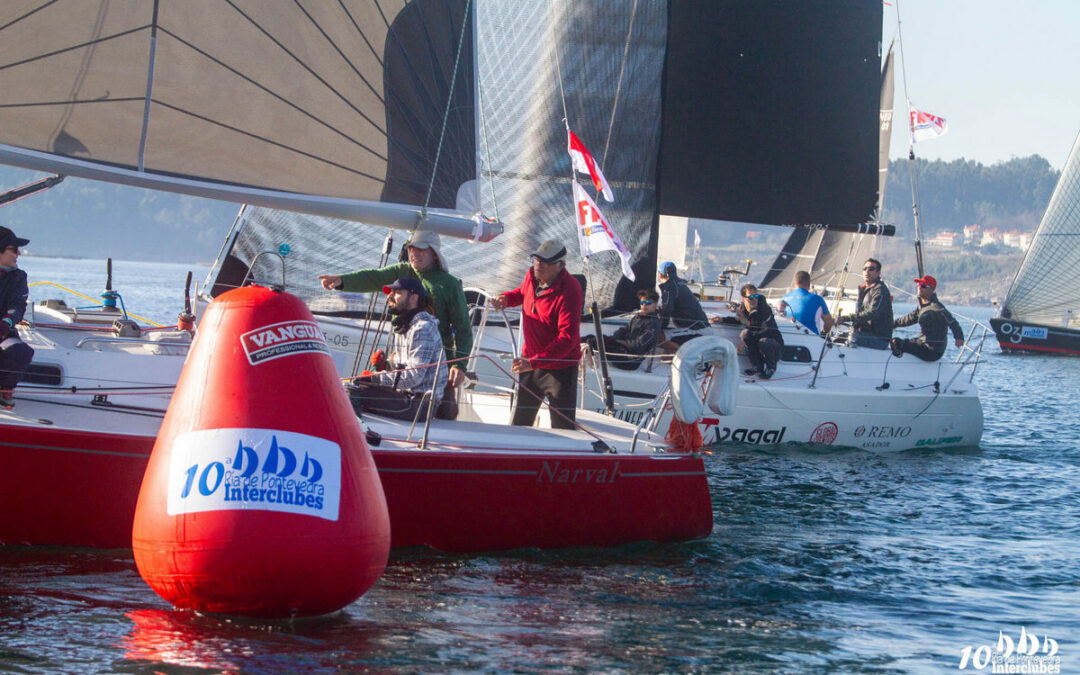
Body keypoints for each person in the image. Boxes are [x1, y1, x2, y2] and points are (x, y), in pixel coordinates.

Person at [318, 230, 472, 389]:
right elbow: (373, 278)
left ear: (434, 254)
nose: (414, 254)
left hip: (436, 364)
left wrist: (459, 364)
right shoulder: (402, 271)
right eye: (411, 249)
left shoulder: (449, 284)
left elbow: (463, 328)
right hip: (406, 357)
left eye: (421, 249)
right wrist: (342, 281)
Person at [490, 240, 584, 429]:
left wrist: (533, 362)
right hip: (531, 361)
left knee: (563, 427)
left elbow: (567, 338)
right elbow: (523, 293)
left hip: (560, 368)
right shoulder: (531, 276)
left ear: (561, 265)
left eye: (545, 262)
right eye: (536, 259)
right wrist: (506, 298)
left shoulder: (571, 290)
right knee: (519, 423)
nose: (538, 265)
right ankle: (515, 457)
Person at [346, 278, 449, 421]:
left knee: (351, 392)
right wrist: (386, 366)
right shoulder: (406, 326)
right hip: (407, 397)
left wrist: (375, 378)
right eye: (390, 292)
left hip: (420, 406)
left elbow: (414, 376)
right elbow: (405, 368)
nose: (389, 296)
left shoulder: (422, 328)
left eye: (397, 292)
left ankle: (353, 433)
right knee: (353, 386)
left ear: (413, 297)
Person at [582, 289, 662, 370]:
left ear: (655, 304)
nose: (644, 305)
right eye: (642, 303)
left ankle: (574, 357)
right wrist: (612, 339)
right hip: (623, 349)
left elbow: (639, 345)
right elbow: (624, 329)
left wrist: (616, 342)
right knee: (593, 338)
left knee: (595, 342)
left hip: (630, 360)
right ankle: (572, 347)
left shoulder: (653, 324)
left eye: (648, 303)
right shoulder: (638, 317)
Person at [890, 275, 965, 361]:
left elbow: (953, 323)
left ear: (931, 289)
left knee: (896, 343)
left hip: (932, 351)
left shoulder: (937, 308)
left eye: (923, 286)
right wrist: (893, 324)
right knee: (900, 342)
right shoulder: (923, 307)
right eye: (918, 285)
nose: (919, 288)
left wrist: (959, 338)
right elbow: (909, 319)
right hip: (922, 344)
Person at [0, 227, 34, 409]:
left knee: (20, 351)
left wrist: (6, 324)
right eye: (14, 249)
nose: (19, 254)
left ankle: (5, 390)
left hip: (5, 332)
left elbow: (17, 306)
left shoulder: (19, 277)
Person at [733, 283, 783, 379]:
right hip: (757, 341)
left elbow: (758, 326)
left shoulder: (764, 308)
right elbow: (739, 320)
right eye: (751, 297)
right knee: (747, 335)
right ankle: (757, 366)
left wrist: (741, 343)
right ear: (743, 298)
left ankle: (771, 368)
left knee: (763, 341)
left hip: (773, 343)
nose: (755, 299)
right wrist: (722, 320)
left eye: (756, 296)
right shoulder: (741, 310)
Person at [656, 261, 709, 345]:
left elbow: (667, 310)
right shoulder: (679, 283)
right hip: (701, 327)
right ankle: (669, 356)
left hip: (696, 330)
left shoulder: (669, 287)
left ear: (660, 275)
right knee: (666, 335)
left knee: (659, 336)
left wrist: (658, 327)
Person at [850, 258, 893, 349]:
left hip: (880, 339)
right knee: (839, 336)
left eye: (871, 269)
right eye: (864, 269)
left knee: (851, 338)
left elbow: (873, 312)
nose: (867, 271)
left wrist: (848, 318)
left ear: (878, 273)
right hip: (865, 334)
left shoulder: (880, 290)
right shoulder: (864, 289)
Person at [779, 270, 834, 334]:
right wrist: (824, 332)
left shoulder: (784, 299)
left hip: (789, 338)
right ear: (809, 284)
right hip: (812, 339)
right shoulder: (817, 299)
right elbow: (828, 322)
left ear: (795, 283)